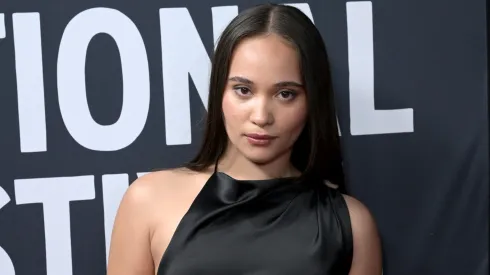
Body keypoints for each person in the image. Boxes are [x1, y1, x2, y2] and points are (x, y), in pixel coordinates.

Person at [106, 3, 382, 275]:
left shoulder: (351, 225)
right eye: (243, 90)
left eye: (285, 94)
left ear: (312, 102)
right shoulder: (148, 200)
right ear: (219, 93)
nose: (261, 116)